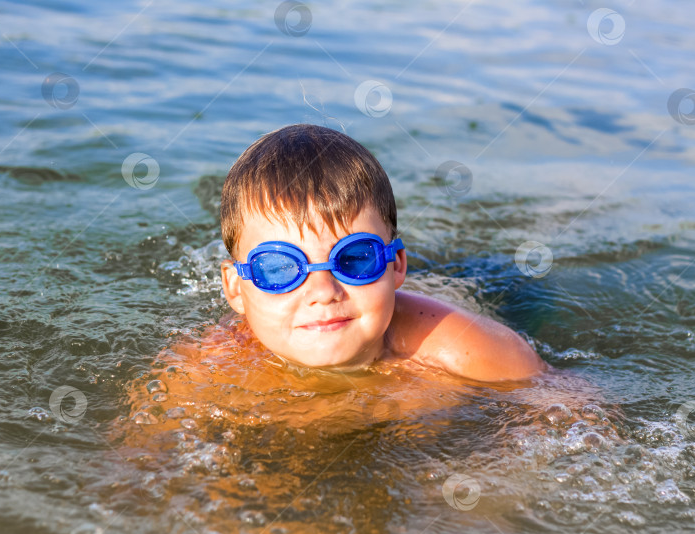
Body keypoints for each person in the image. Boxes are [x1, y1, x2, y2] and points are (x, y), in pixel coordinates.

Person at [218, 123, 547, 383]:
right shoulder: (216, 364)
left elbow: (575, 412)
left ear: (397, 265)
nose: (323, 292)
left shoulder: (468, 353)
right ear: (235, 288)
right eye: (278, 269)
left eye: (355, 258)